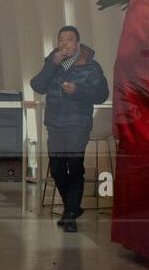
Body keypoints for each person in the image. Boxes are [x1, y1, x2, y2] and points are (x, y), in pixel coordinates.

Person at [29, 24, 109, 232]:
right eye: (61, 40)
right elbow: (37, 85)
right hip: (55, 123)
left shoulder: (91, 66)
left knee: (74, 166)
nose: (64, 44)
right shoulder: (53, 63)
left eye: (69, 40)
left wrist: (78, 90)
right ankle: (72, 208)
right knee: (56, 168)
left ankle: (70, 215)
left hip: (77, 123)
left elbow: (102, 94)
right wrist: (50, 65)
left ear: (78, 43)